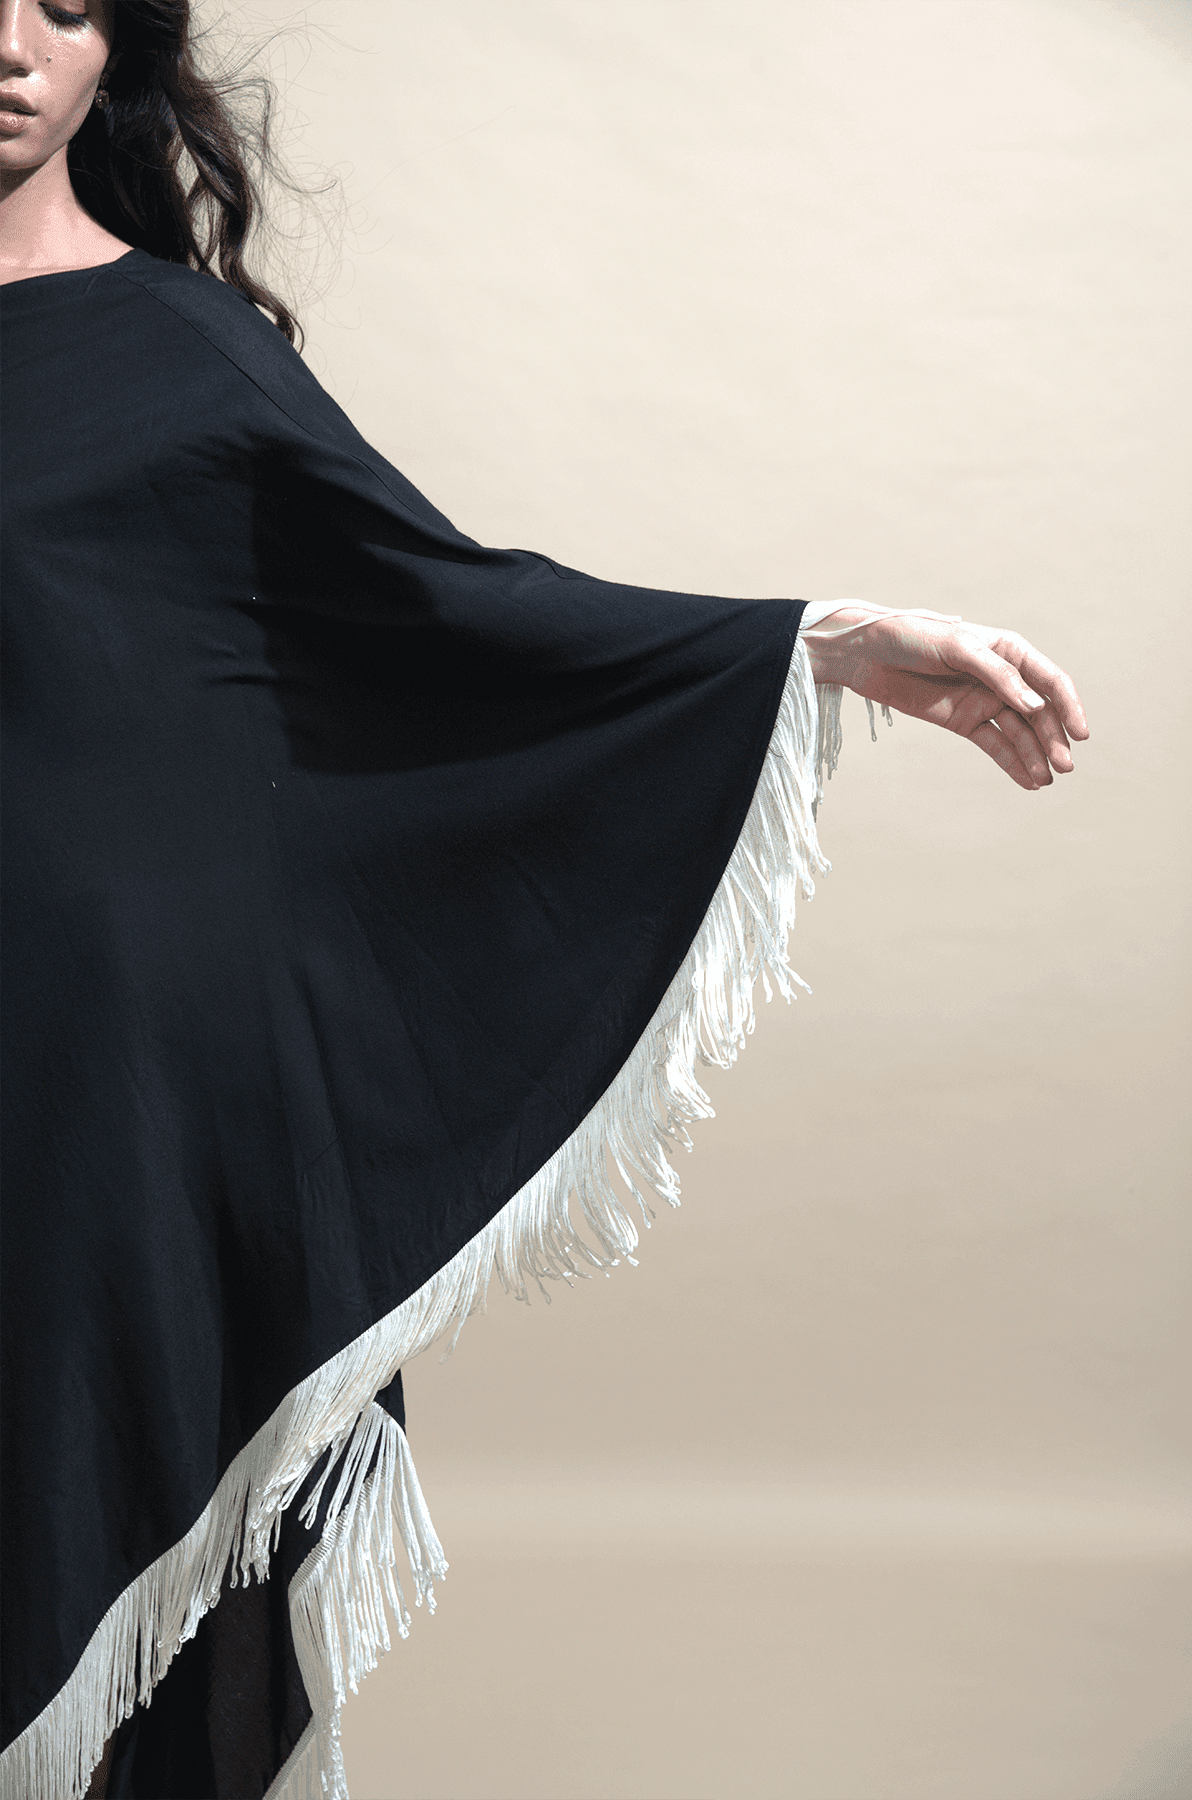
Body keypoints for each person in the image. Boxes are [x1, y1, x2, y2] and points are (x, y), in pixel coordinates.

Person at [0, 3, 1088, 1797]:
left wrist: (816, 646)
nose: (16, 40)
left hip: (123, 1106)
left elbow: (457, 616)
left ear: (120, 40)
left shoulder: (181, 354)